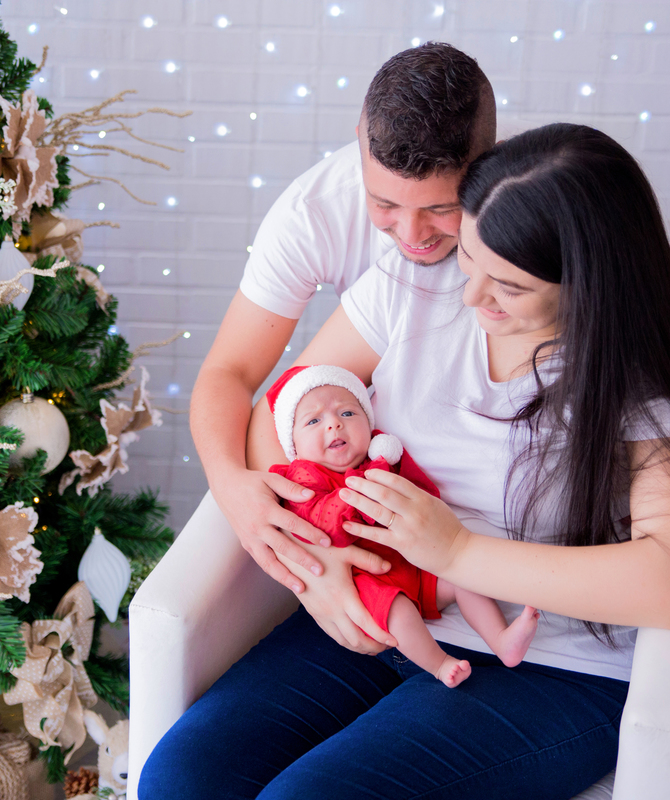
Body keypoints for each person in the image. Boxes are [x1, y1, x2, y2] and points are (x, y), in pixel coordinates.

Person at [139, 123, 670, 799]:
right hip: (393, 609)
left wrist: (457, 551)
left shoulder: (643, 370)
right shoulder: (415, 283)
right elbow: (283, 417)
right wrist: (318, 575)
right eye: (469, 256)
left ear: (589, 281)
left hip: (549, 666)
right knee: (182, 778)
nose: (471, 298)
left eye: (509, 287)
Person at [189, 43, 497, 627]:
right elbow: (229, 373)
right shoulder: (313, 214)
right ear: (359, 137)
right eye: (384, 203)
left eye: (441, 209)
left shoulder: (527, 208)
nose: (412, 234)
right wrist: (234, 489)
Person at [265, 363, 538, 687]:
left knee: (464, 579)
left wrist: (390, 471)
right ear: (293, 445)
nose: (334, 424)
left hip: (414, 565)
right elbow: (325, 524)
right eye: (314, 420)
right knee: (399, 612)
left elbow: (425, 495)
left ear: (369, 422)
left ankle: (501, 640)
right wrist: (362, 486)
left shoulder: (382, 456)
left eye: (348, 413)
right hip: (365, 579)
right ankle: (439, 665)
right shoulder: (304, 477)